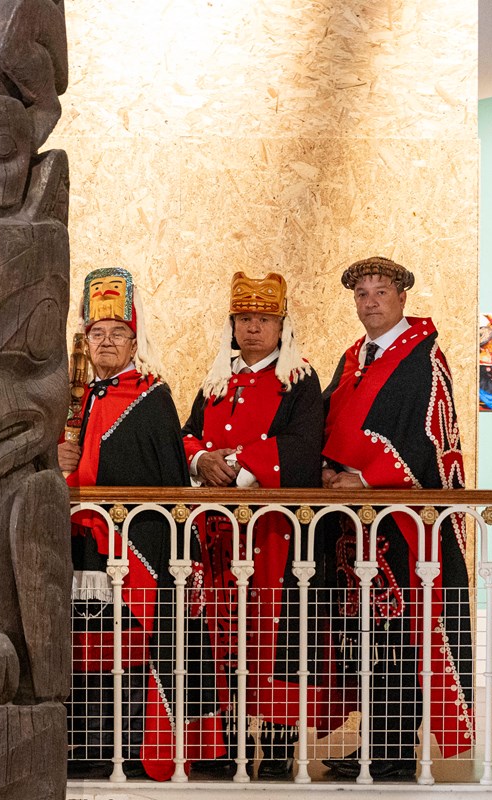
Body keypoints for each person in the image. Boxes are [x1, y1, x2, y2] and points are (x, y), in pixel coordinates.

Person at [57, 267, 223, 781]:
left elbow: (157, 472)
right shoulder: (77, 397)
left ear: (134, 339)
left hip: (138, 551)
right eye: (97, 334)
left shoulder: (152, 397)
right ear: (85, 339)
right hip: (85, 548)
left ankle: (136, 748)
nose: (106, 343)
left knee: (139, 647)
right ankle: (89, 746)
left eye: (117, 334)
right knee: (91, 647)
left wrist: (84, 466)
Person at [320, 256, 473, 780]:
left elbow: (429, 440)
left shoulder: (422, 360)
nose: (370, 302)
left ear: (402, 297)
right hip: (354, 528)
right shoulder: (353, 359)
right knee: (361, 636)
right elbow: (329, 421)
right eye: (361, 294)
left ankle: (394, 750)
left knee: (399, 635)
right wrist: (321, 466)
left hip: (404, 526)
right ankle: (373, 743)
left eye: (380, 291)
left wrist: (365, 479)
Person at [181, 271, 332, 778]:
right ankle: (228, 744)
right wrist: (203, 459)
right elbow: (184, 436)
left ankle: (279, 743)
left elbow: (303, 446)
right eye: (244, 319)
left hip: (276, 537)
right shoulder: (215, 380)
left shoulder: (300, 380)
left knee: (279, 638)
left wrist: (240, 462)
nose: (252, 329)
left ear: (281, 324)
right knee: (220, 636)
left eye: (263, 319)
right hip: (216, 535)